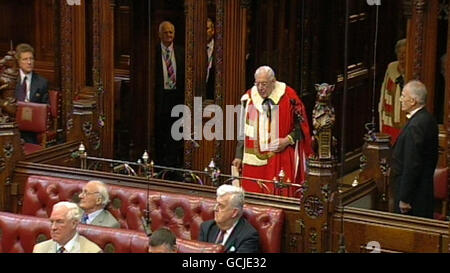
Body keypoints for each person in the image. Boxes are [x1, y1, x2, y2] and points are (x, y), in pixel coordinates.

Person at [232, 66, 312, 196]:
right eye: (257, 84)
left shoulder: (289, 97)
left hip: (280, 157)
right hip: (253, 161)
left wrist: (287, 140)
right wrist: (238, 155)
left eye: (264, 84)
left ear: (273, 82)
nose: (260, 88)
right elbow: (243, 129)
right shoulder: (249, 98)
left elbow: (302, 127)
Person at [392, 80, 438, 219]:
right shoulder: (428, 119)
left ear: (412, 101)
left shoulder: (415, 126)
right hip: (423, 191)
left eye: (403, 95)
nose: (400, 99)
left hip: (413, 198)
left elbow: (412, 164)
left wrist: (405, 198)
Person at [154, 21, 185, 170]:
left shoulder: (181, 52)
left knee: (175, 131)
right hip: (160, 98)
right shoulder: (153, 52)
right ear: (160, 34)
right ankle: (160, 163)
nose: (169, 35)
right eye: (165, 32)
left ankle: (172, 163)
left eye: (171, 32)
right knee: (161, 130)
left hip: (176, 97)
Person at [199, 184, 260, 253]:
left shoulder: (248, 236)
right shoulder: (207, 228)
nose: (215, 209)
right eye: (216, 204)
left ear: (234, 212)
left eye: (221, 206)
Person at [33, 201, 102, 253]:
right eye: (52, 222)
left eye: (59, 222)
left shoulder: (92, 251)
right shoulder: (40, 249)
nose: (53, 227)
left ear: (74, 223)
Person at [14, 43, 49, 144]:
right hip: (12, 125)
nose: (29, 62)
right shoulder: (11, 80)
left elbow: (46, 107)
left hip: (31, 128)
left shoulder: (42, 82)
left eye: (31, 59)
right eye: (25, 59)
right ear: (18, 62)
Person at [379, 38, 407, 145]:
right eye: (399, 52)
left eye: (405, 52)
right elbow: (384, 92)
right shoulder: (391, 68)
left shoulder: (413, 68)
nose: (402, 55)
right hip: (390, 118)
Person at [205, 18, 215, 100]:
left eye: (207, 29)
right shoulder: (193, 49)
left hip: (214, 94)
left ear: (213, 31)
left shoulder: (220, 49)